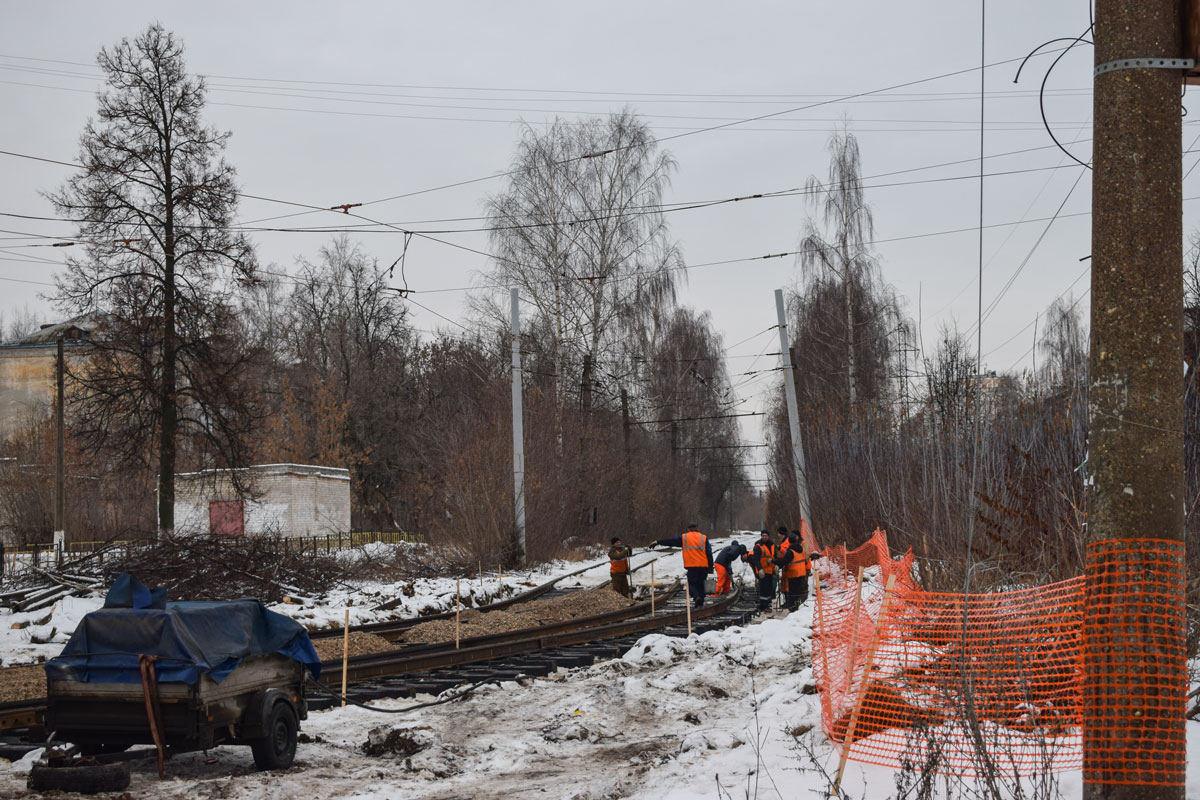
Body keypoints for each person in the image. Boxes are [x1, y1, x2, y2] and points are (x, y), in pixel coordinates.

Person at [654, 524, 713, 609]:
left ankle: (697, 597)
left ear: (688, 529)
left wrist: (658, 542)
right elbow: (709, 553)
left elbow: (671, 541)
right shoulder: (703, 538)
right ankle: (700, 602)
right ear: (697, 529)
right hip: (703, 566)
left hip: (692, 566)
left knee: (692, 584)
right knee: (701, 584)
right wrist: (710, 565)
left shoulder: (685, 537)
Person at [775, 530, 821, 611]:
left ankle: (794, 606)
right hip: (800, 571)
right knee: (798, 590)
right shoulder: (800, 548)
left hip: (794, 573)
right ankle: (798, 604)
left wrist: (775, 562)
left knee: (795, 591)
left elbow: (787, 559)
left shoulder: (795, 549)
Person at [746, 529, 777, 611]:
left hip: (770, 570)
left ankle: (767, 603)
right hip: (762, 571)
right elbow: (756, 559)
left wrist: (776, 566)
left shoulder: (772, 545)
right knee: (763, 589)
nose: (764, 537)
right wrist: (759, 569)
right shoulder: (758, 546)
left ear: (768, 536)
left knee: (769, 588)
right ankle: (764, 605)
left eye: (766, 536)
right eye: (763, 536)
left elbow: (775, 556)